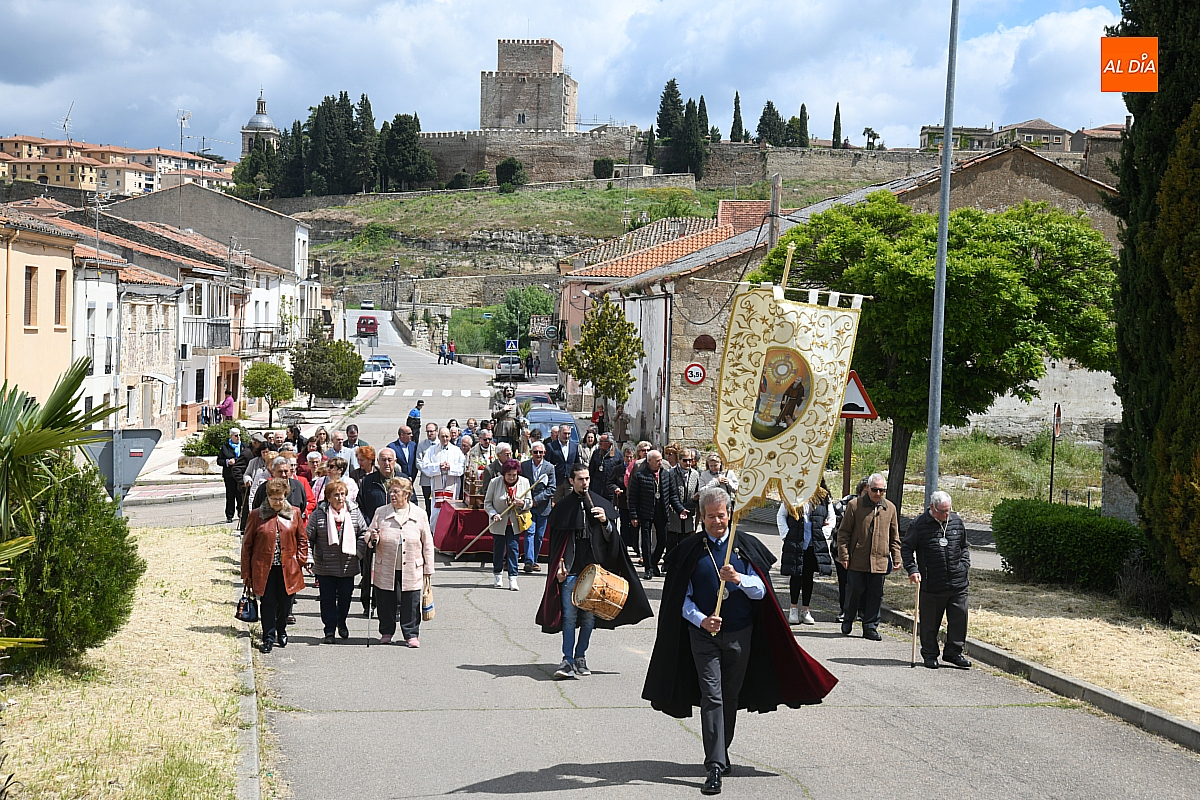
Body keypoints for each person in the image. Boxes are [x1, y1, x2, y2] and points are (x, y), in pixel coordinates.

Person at [642, 486, 838, 794]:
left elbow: (761, 592)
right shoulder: (690, 549)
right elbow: (682, 600)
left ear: (730, 515)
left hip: (740, 634)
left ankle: (721, 750)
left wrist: (738, 579)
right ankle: (715, 765)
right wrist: (702, 620)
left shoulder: (744, 546)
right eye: (710, 517)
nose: (717, 522)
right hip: (703, 636)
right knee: (712, 696)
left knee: (729, 697)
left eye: (721, 516)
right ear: (702, 518)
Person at [537, 463, 652, 680]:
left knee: (589, 619)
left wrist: (605, 522)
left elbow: (613, 540)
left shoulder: (600, 503)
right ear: (571, 481)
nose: (585, 483)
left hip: (595, 573)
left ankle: (580, 656)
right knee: (569, 618)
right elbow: (557, 546)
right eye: (580, 479)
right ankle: (567, 660)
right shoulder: (563, 508)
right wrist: (559, 569)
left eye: (587, 479)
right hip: (572, 572)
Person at [903, 491, 972, 669]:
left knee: (959, 618)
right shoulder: (919, 524)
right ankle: (930, 653)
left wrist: (964, 565)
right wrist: (913, 569)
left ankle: (954, 653)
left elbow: (964, 546)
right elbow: (907, 548)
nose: (945, 515)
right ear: (932, 507)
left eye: (948, 510)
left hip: (957, 582)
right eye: (942, 511)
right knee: (930, 622)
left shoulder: (956, 521)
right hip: (932, 583)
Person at [365, 477, 435, 646]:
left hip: (412, 566)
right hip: (386, 565)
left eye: (396, 491)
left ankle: (411, 634)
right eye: (391, 491)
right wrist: (372, 536)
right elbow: (368, 535)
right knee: (385, 600)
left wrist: (428, 568)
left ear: (407, 494)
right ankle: (386, 632)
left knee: (411, 602)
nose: (392, 495)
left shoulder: (419, 514)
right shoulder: (381, 512)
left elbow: (427, 542)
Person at [241, 478, 307, 654]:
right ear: (268, 497)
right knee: (268, 603)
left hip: (288, 567)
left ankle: (282, 629)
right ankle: (268, 636)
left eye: (281, 498)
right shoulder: (256, 515)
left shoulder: (294, 513)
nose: (278, 502)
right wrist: (246, 572)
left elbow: (302, 539)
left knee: (286, 602)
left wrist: (300, 560)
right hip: (264, 568)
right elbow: (247, 545)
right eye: (274, 499)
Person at [836, 472, 901, 640]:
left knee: (875, 594)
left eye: (881, 490)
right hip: (858, 558)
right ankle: (848, 618)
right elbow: (844, 533)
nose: (878, 494)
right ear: (868, 488)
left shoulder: (890, 508)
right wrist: (844, 555)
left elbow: (894, 536)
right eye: (874, 490)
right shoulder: (855, 505)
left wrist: (897, 557)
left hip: (880, 560)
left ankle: (870, 627)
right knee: (855, 590)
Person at [306, 479, 367, 644]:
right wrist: (309, 558)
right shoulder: (319, 514)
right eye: (336, 495)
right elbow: (307, 538)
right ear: (328, 498)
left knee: (346, 597)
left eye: (342, 494)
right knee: (327, 599)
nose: (340, 498)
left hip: (348, 564)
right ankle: (329, 630)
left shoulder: (354, 511)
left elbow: (363, 533)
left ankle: (342, 621)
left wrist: (359, 552)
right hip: (325, 565)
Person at [777, 483, 835, 626]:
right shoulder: (791, 494)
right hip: (796, 542)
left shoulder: (823, 497)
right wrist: (786, 535)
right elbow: (781, 516)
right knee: (796, 575)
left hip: (812, 544)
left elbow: (831, 518)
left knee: (808, 577)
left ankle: (805, 610)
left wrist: (823, 534)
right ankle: (793, 609)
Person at [628, 449, 685, 580]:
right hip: (646, 512)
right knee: (646, 541)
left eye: (661, 460)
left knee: (663, 540)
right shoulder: (640, 475)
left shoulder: (666, 474)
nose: (660, 463)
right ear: (649, 461)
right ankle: (648, 568)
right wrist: (634, 515)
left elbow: (672, 495)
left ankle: (654, 562)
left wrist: (680, 509)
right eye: (658, 460)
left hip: (662, 512)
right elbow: (633, 498)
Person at [358, 448, 396, 615]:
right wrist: (370, 527)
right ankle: (368, 604)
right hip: (372, 533)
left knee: (392, 571)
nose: (386, 463)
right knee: (368, 572)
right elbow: (361, 507)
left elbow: (413, 505)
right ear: (378, 462)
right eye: (383, 460)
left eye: (389, 460)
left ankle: (392, 605)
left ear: (394, 462)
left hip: (394, 534)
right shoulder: (368, 481)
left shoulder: (402, 480)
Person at [485, 460, 532, 591]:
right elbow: (487, 503)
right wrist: (493, 514)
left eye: (514, 475)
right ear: (503, 474)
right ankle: (498, 575)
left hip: (515, 522)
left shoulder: (525, 482)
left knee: (513, 549)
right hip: (499, 522)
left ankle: (513, 577)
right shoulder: (495, 482)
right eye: (509, 475)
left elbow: (530, 502)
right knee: (499, 549)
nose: (512, 478)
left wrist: (522, 503)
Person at [420, 427, 466, 529]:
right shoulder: (431, 450)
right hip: (437, 485)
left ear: (450, 437)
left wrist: (451, 468)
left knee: (450, 510)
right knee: (436, 512)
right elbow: (425, 466)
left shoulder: (457, 450)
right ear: (439, 437)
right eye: (442, 436)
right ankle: (435, 533)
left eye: (447, 436)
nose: (445, 439)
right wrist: (438, 467)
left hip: (452, 484)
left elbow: (462, 467)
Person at [520, 442, 557, 573]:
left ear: (544, 453)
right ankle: (528, 561)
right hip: (528, 507)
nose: (538, 455)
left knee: (539, 536)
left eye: (540, 452)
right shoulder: (524, 466)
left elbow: (552, 488)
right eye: (535, 452)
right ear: (531, 453)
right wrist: (529, 501)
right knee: (530, 532)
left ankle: (534, 560)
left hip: (543, 508)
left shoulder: (550, 467)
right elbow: (521, 484)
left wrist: (537, 500)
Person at [251, 456, 316, 527]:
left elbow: (302, 507)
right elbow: (256, 509)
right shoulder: (264, 488)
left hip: (292, 530)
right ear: (273, 472)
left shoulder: (298, 486)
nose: (283, 475)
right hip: (268, 530)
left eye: (286, 471)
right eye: (280, 471)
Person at [667, 448, 701, 556]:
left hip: (689, 512)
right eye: (685, 460)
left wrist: (696, 497)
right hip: (674, 513)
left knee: (685, 542)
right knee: (672, 541)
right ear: (679, 460)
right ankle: (669, 564)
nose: (688, 463)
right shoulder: (671, 473)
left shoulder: (695, 474)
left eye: (690, 460)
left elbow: (698, 489)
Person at [608, 445, 637, 552]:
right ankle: (624, 545)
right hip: (622, 501)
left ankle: (634, 544)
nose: (629, 459)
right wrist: (616, 488)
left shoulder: (636, 469)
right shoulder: (617, 469)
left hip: (634, 502)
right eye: (627, 457)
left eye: (631, 457)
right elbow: (610, 483)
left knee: (634, 524)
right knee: (624, 523)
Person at [219, 427, 249, 524]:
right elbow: (219, 461)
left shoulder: (244, 446)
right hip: (229, 476)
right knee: (230, 496)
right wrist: (227, 462)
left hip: (241, 475)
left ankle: (241, 513)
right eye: (236, 435)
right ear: (231, 436)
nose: (238, 437)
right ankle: (229, 515)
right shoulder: (225, 447)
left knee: (241, 495)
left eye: (239, 435)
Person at [545, 423, 581, 488]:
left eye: (569, 433)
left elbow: (577, 463)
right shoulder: (551, 446)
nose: (567, 436)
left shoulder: (574, 446)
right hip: (556, 482)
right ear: (559, 433)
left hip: (570, 482)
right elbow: (547, 464)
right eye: (565, 433)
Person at [416, 421, 439, 517]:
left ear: (437, 431)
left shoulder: (441, 444)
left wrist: (436, 471)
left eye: (432, 431)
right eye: (428, 431)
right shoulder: (422, 445)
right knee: (428, 503)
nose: (429, 434)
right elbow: (418, 462)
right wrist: (429, 472)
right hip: (426, 480)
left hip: (438, 479)